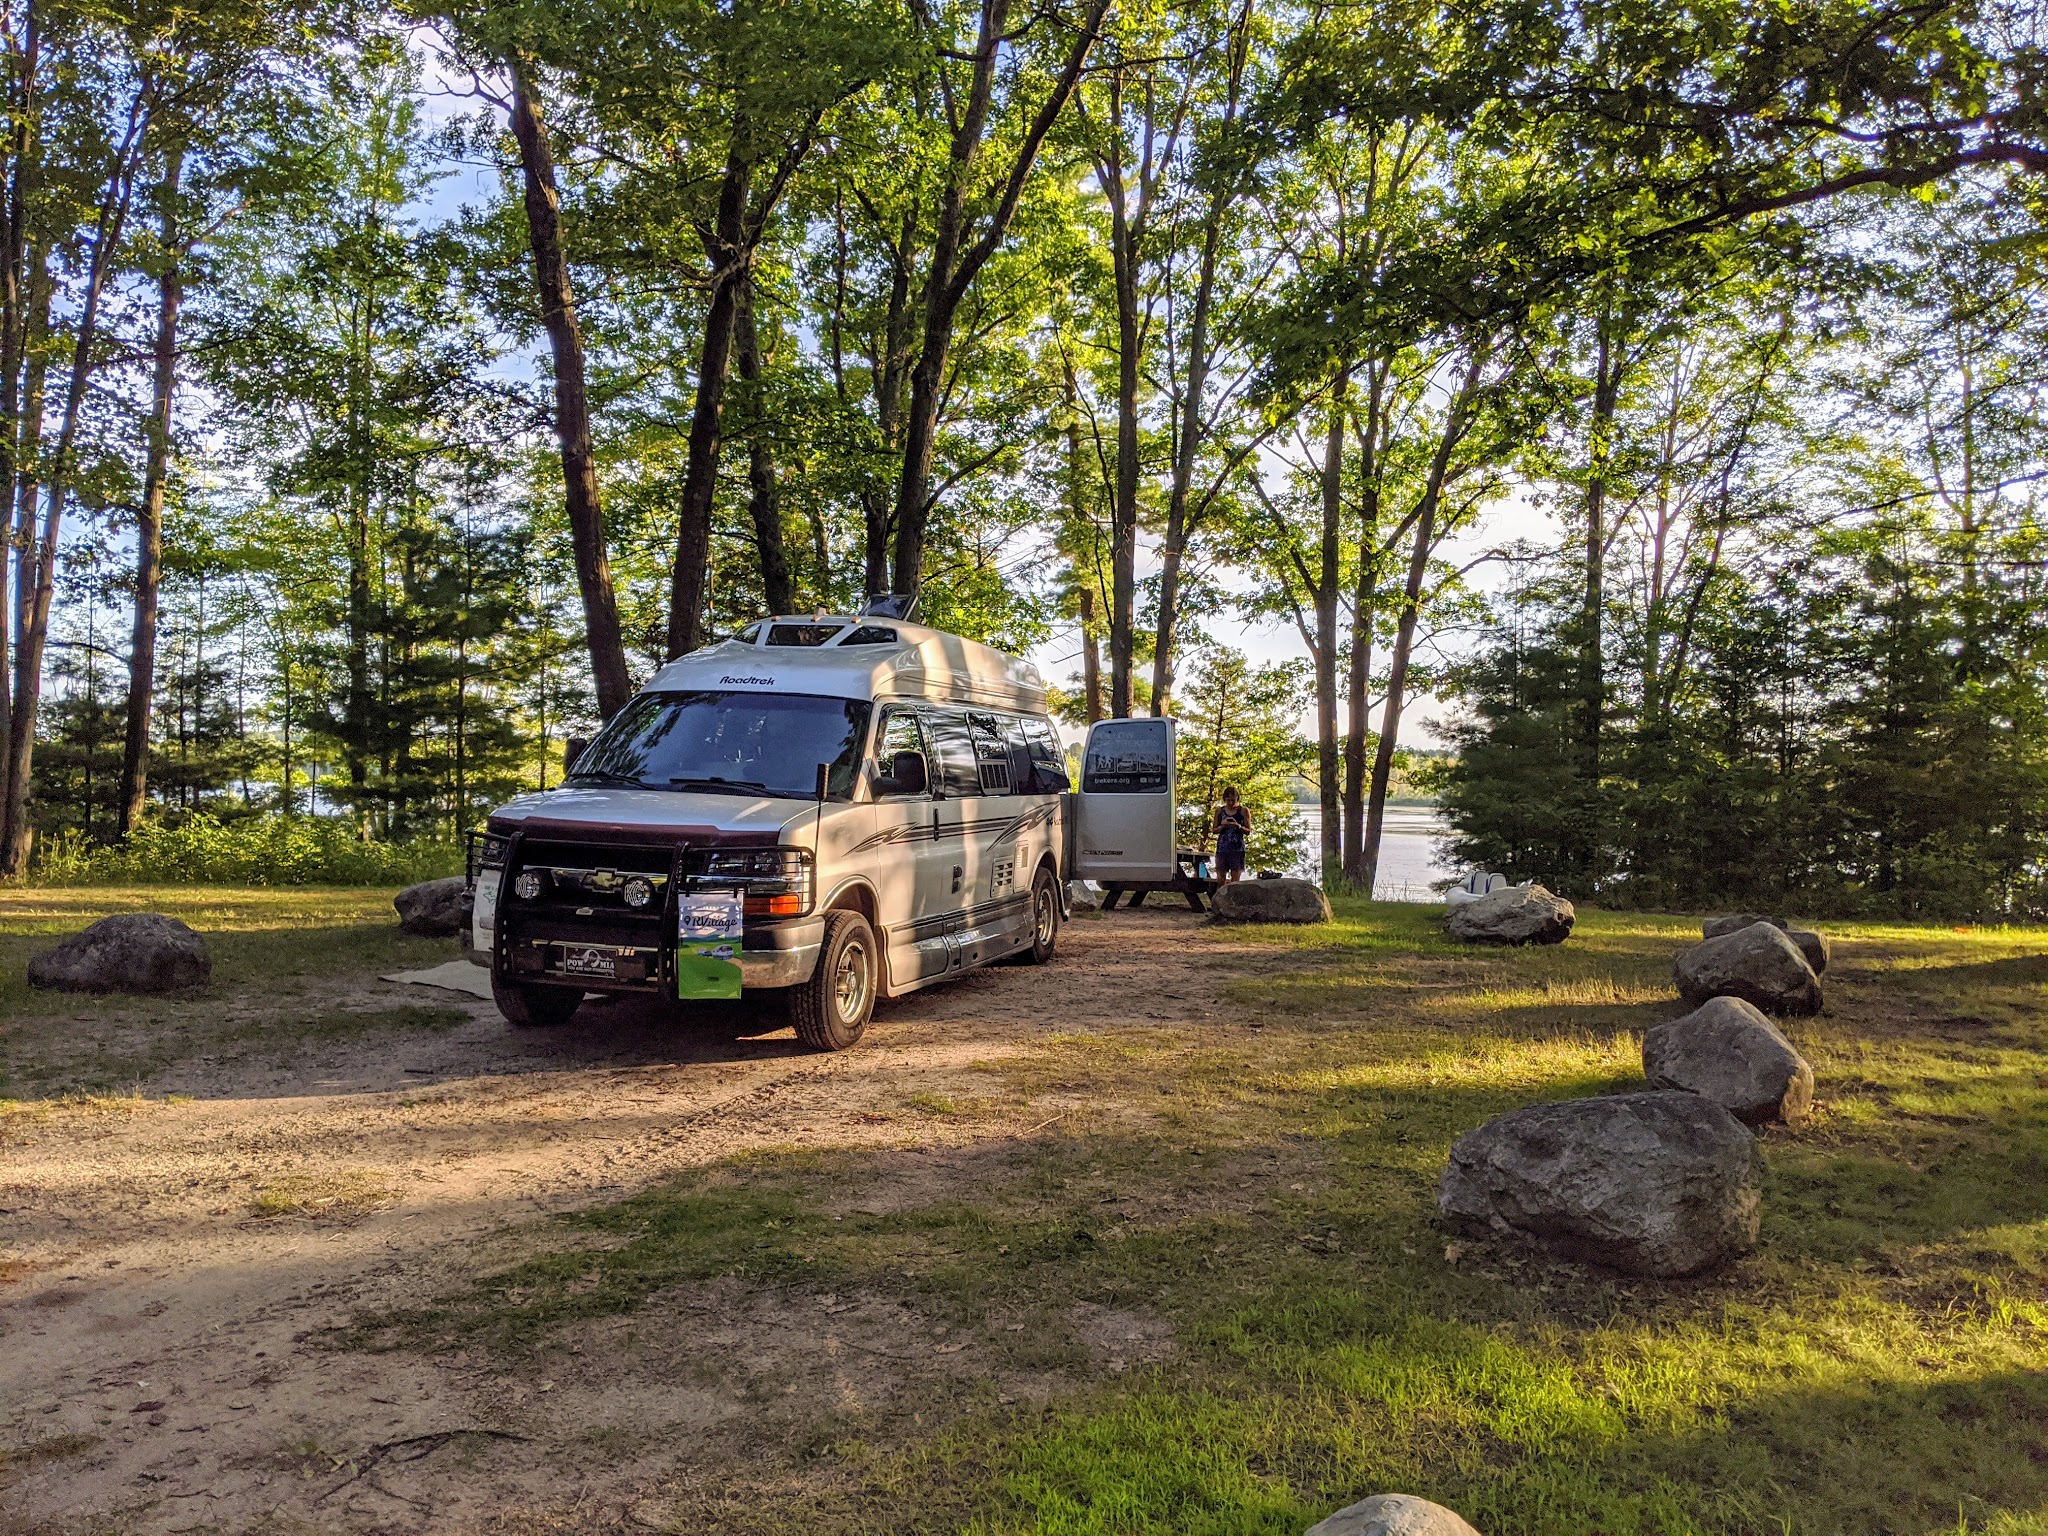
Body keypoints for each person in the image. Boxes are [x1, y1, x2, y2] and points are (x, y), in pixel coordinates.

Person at [1213, 787, 1250, 884]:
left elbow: (1248, 830)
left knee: (1235, 880)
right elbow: (1214, 830)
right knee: (1220, 878)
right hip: (1222, 848)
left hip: (1237, 849)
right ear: (1224, 799)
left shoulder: (1243, 811)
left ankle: (1233, 897)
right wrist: (1223, 825)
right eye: (1228, 800)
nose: (1230, 803)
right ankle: (1221, 897)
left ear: (1237, 798)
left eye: (1233, 800)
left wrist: (1238, 826)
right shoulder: (1219, 811)